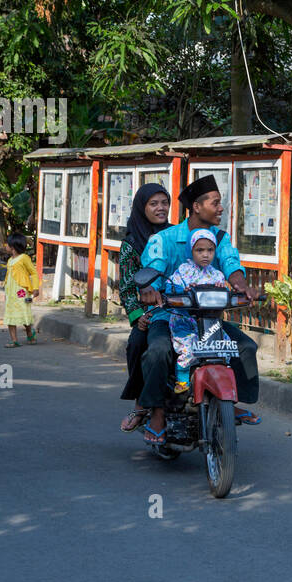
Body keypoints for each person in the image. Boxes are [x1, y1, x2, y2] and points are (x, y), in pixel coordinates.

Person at [137, 175, 262, 447]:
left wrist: (242, 287)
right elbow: (154, 269)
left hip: (207, 318)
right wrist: (151, 288)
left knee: (245, 347)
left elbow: (231, 265)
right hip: (169, 317)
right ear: (196, 206)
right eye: (215, 203)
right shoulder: (165, 239)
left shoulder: (219, 238)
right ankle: (157, 413)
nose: (221, 208)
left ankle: (230, 401)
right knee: (158, 351)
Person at [118, 183, 171, 432]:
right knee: (138, 344)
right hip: (149, 312)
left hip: (180, 308)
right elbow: (128, 289)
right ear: (142, 207)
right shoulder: (131, 244)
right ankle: (141, 404)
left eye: (164, 202)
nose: (161, 208)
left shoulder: (175, 235)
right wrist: (138, 315)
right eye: (154, 203)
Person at [166, 230, 229, 391]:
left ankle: (223, 377)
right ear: (190, 250)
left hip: (211, 325)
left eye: (210, 250)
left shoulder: (217, 275)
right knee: (189, 348)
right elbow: (171, 287)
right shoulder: (183, 271)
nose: (205, 255)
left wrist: (223, 289)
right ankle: (182, 379)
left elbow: (224, 295)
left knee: (226, 346)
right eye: (199, 250)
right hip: (185, 323)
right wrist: (182, 290)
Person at [2, 234, 39, 347]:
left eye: (7, 245)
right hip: (10, 291)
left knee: (24, 311)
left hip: (22, 291)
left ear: (12, 247)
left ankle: (29, 332)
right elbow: (9, 275)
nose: (5, 247)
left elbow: (33, 273)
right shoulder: (9, 260)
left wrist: (35, 288)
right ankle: (14, 341)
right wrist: (5, 288)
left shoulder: (24, 258)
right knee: (10, 314)